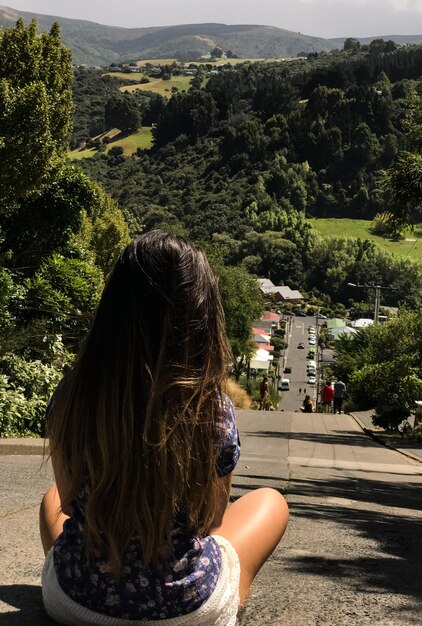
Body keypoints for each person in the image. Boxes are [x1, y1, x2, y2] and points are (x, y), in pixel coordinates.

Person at [40, 230, 289, 626]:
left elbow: (69, 501)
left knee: (50, 499)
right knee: (271, 502)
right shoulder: (211, 407)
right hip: (186, 612)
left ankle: (95, 587)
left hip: (75, 604)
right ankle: (229, 600)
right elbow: (212, 519)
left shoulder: (73, 395)